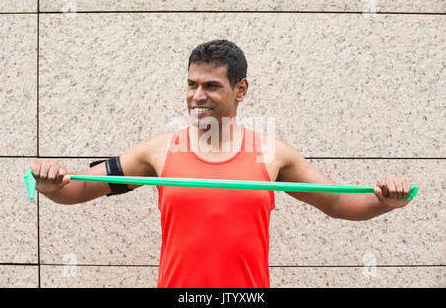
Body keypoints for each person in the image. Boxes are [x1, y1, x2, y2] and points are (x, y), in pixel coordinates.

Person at [29, 39, 414, 288]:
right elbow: (78, 188)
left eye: (211, 86)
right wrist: (50, 185)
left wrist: (385, 200)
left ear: (240, 90)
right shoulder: (159, 151)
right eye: (192, 84)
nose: (198, 96)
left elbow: (337, 202)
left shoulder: (273, 154)